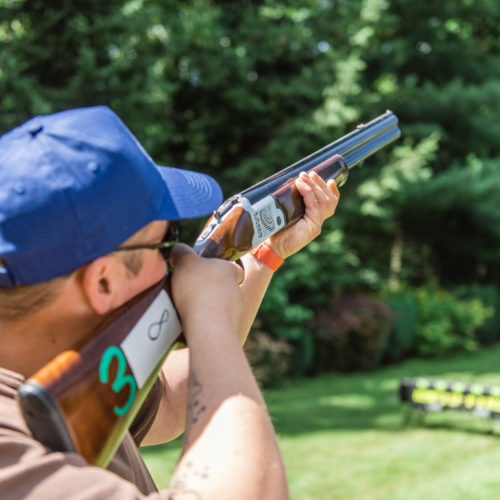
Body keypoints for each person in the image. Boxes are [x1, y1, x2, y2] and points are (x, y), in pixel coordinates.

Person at [0, 106, 340, 499]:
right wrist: (209, 314)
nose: (179, 256)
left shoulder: (62, 370)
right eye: (167, 241)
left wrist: (264, 256)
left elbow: (168, 406)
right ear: (104, 281)